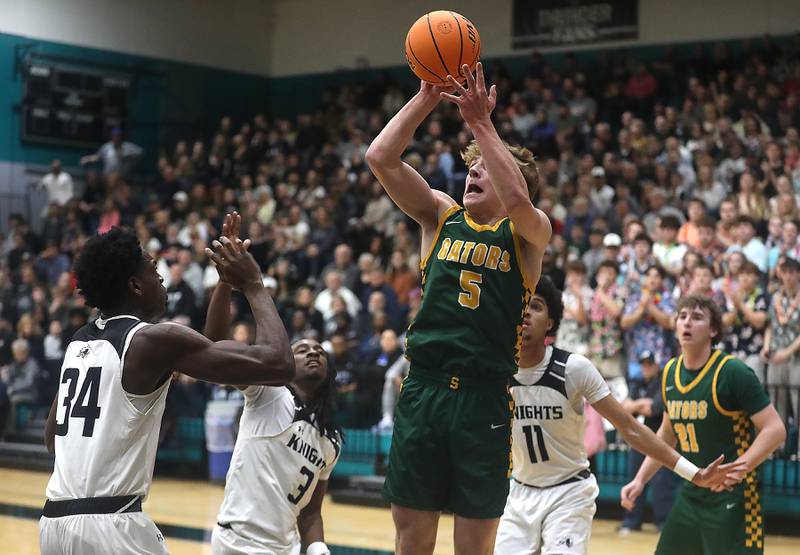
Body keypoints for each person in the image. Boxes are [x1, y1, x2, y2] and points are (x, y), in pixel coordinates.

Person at [367, 62, 551, 554]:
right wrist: (426, 97)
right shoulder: (440, 216)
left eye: (486, 167)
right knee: (412, 539)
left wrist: (481, 123)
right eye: (472, 164)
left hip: (482, 397)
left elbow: (517, 198)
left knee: (474, 547)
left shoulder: (528, 233)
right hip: (424, 388)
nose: (474, 169)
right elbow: (381, 157)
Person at [39, 213, 294, 555]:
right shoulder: (150, 341)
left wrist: (224, 283)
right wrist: (252, 284)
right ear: (135, 285)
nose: (160, 276)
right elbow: (279, 365)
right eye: (152, 269)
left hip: (54, 522)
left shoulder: (79, 344)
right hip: (113, 526)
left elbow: (52, 438)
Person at [495, 278, 738, 555]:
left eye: (536, 306)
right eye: (521, 305)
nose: (525, 312)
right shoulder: (495, 371)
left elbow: (631, 428)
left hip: (568, 493)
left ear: (550, 322)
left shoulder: (572, 368)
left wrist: (694, 473)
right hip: (519, 493)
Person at [621, 295, 786, 555]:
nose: (687, 322)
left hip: (736, 494)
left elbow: (775, 430)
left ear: (713, 330)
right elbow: (666, 435)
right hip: (693, 492)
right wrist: (640, 480)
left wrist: (738, 471)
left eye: (697, 318)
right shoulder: (670, 373)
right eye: (682, 316)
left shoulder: (733, 372)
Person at [207, 276, 340, 555]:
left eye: (319, 352)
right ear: (286, 363)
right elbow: (217, 346)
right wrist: (225, 284)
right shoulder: (268, 393)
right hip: (238, 543)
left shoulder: (332, 439)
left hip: (285, 548)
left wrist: (319, 550)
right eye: (302, 350)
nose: (313, 353)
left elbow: (311, 514)